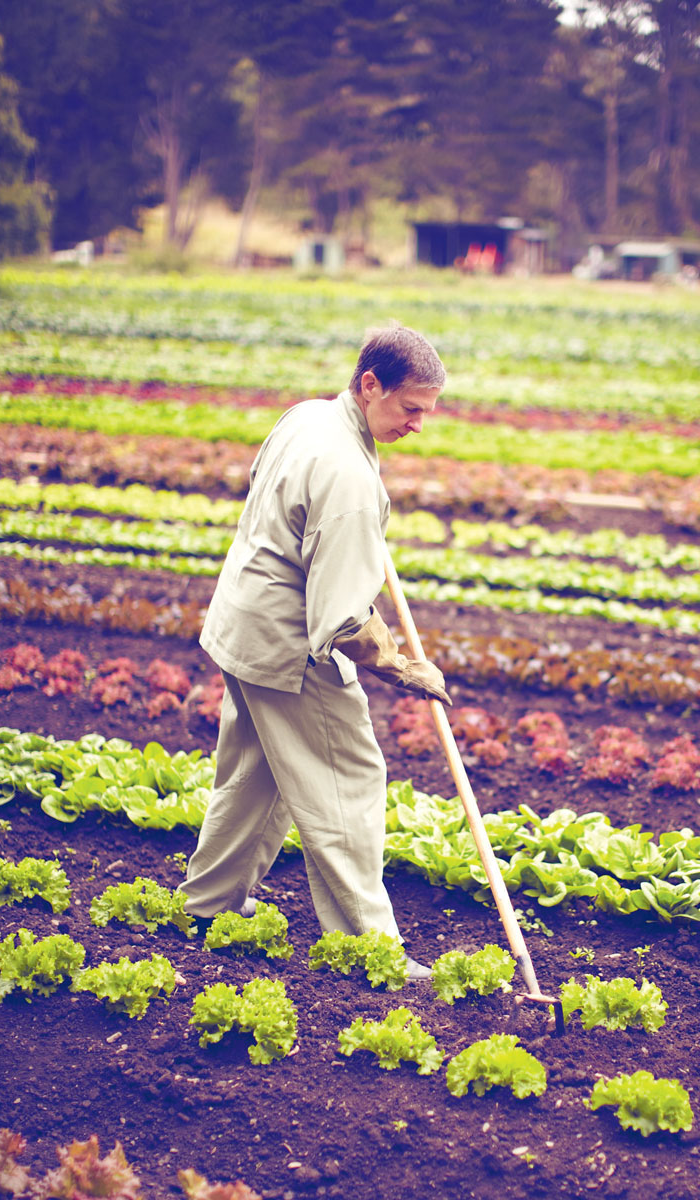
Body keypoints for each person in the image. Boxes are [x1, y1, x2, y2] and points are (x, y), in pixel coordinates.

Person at [181, 323, 451, 978]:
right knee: (345, 778)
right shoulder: (348, 476)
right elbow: (341, 619)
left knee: (255, 774)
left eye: (427, 411)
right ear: (370, 385)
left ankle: (210, 904)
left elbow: (272, 499)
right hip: (288, 645)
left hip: (242, 623)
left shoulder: (307, 418)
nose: (418, 424)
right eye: (410, 407)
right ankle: (369, 947)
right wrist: (399, 665)